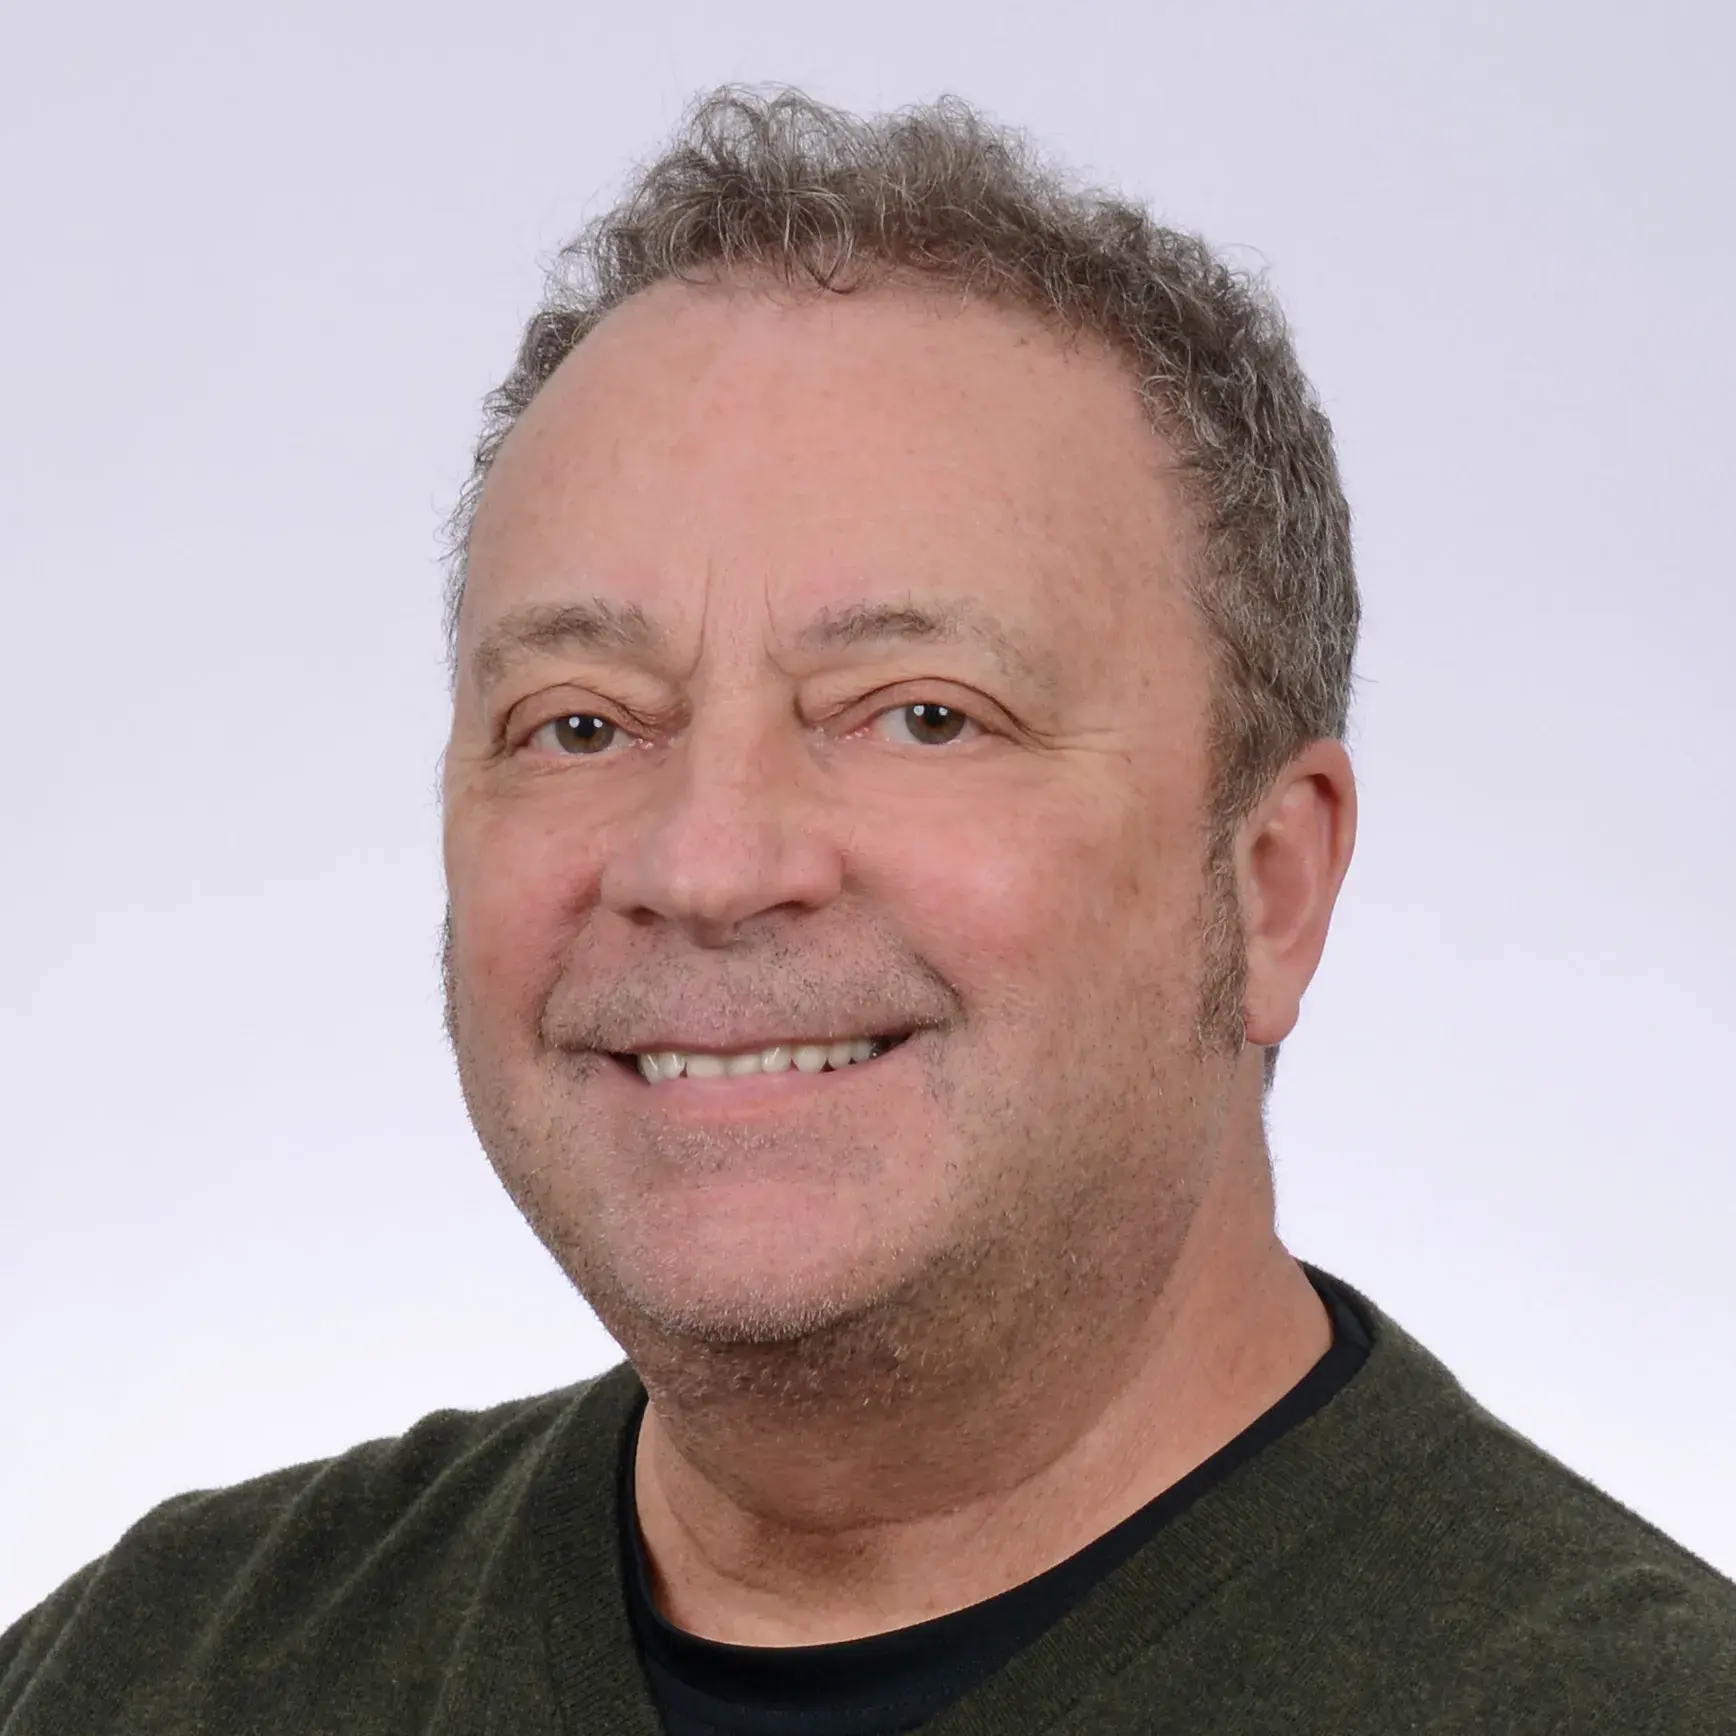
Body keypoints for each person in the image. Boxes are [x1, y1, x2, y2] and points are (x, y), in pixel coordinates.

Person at [3, 85, 1732, 1736]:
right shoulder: (143, 1677)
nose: (707, 863)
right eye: (583, 722)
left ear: (1272, 887)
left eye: (921, 714)